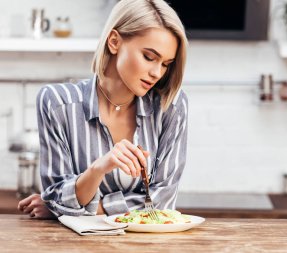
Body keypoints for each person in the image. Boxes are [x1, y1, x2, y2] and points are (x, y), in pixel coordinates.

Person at [17, 0, 188, 218]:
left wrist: (84, 207)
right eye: (149, 57)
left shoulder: (170, 106)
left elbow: (162, 201)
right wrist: (98, 168)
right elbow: (57, 196)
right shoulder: (57, 103)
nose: (157, 73)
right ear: (114, 42)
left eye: (165, 64)